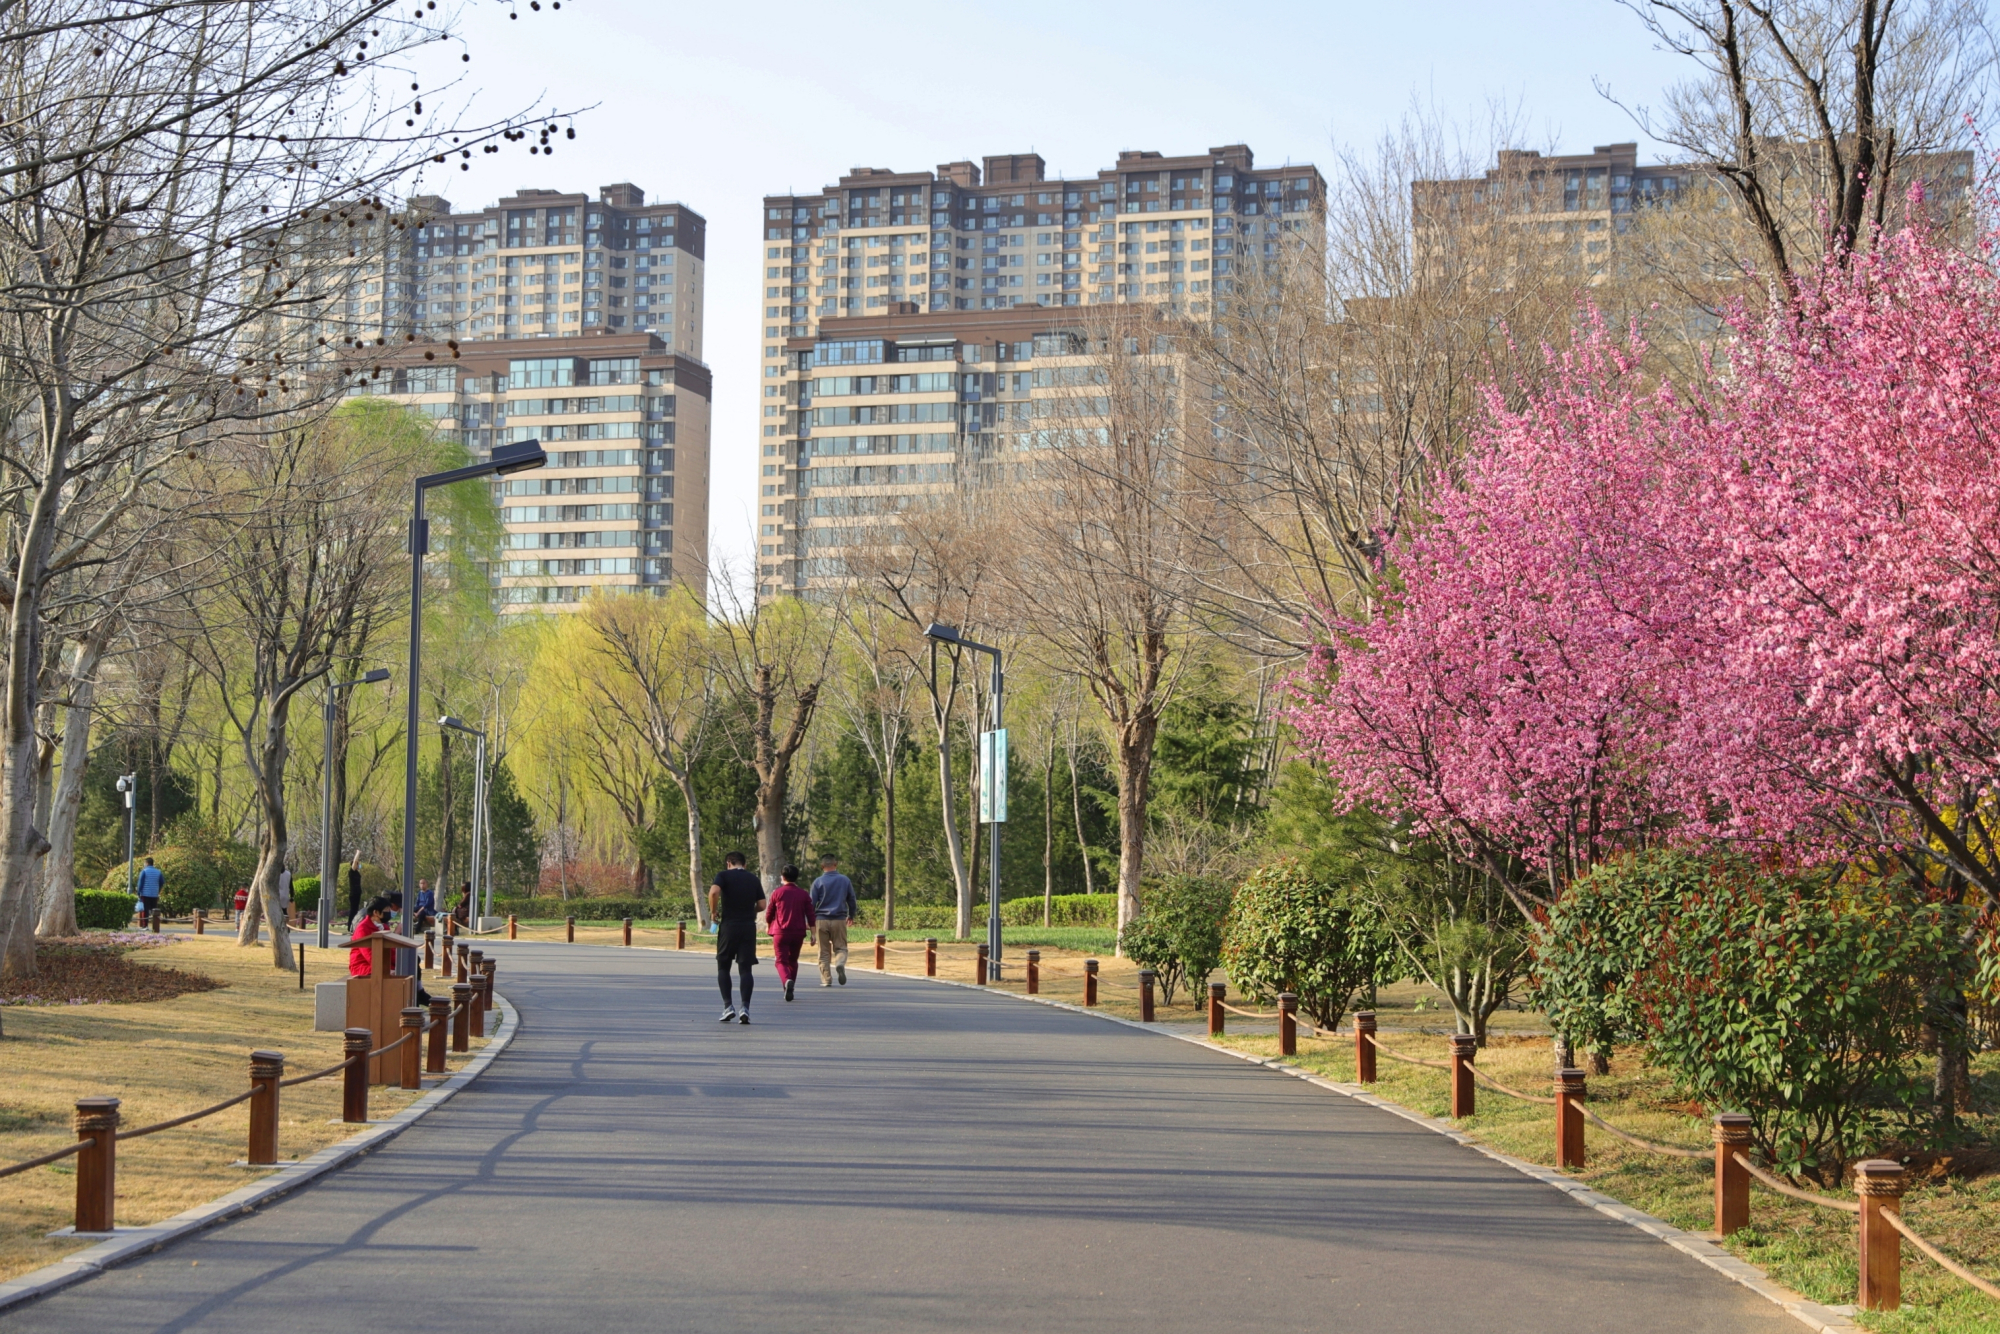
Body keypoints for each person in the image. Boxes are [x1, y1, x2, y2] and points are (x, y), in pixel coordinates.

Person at [708, 851, 765, 1024]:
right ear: (744, 864)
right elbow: (762, 905)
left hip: (728, 926)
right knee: (746, 969)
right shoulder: (753, 878)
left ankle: (728, 1006)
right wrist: (749, 911)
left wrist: (713, 912)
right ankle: (745, 1008)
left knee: (723, 966)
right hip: (748, 927)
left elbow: (713, 892)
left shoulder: (723, 876)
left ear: (728, 863)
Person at [765, 865, 815, 1004]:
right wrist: (813, 933)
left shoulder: (778, 893)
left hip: (781, 932)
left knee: (781, 961)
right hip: (798, 932)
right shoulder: (803, 894)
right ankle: (790, 985)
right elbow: (810, 914)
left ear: (783, 877)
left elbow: (769, 912)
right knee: (793, 961)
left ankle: (787, 981)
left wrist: (769, 925)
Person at [809, 853, 857, 988]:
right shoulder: (845, 880)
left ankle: (826, 979)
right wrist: (851, 915)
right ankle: (840, 963)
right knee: (841, 947)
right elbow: (851, 900)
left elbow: (811, 903)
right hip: (839, 919)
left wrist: (810, 920)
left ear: (822, 866)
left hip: (821, 919)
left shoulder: (818, 882)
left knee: (823, 951)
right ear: (835, 864)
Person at [349, 896, 392, 977]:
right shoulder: (362, 928)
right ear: (375, 912)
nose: (389, 912)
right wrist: (386, 969)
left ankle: (419, 989)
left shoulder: (384, 927)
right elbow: (369, 954)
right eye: (386, 910)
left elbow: (391, 950)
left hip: (381, 963)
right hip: (362, 965)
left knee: (411, 965)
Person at [135, 856, 163, 924]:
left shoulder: (144, 871)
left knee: (145, 910)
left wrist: (138, 892)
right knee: (154, 910)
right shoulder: (158, 872)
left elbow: (140, 883)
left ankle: (145, 925)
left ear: (147, 863)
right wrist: (158, 890)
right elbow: (161, 882)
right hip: (154, 894)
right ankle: (155, 925)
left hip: (145, 894)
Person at [343, 852, 363, 929]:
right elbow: (355, 861)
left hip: (357, 893)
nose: (359, 865)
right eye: (358, 864)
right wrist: (358, 853)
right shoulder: (352, 871)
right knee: (353, 910)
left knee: (355, 910)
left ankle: (353, 926)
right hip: (353, 893)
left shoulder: (357, 872)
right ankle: (350, 926)